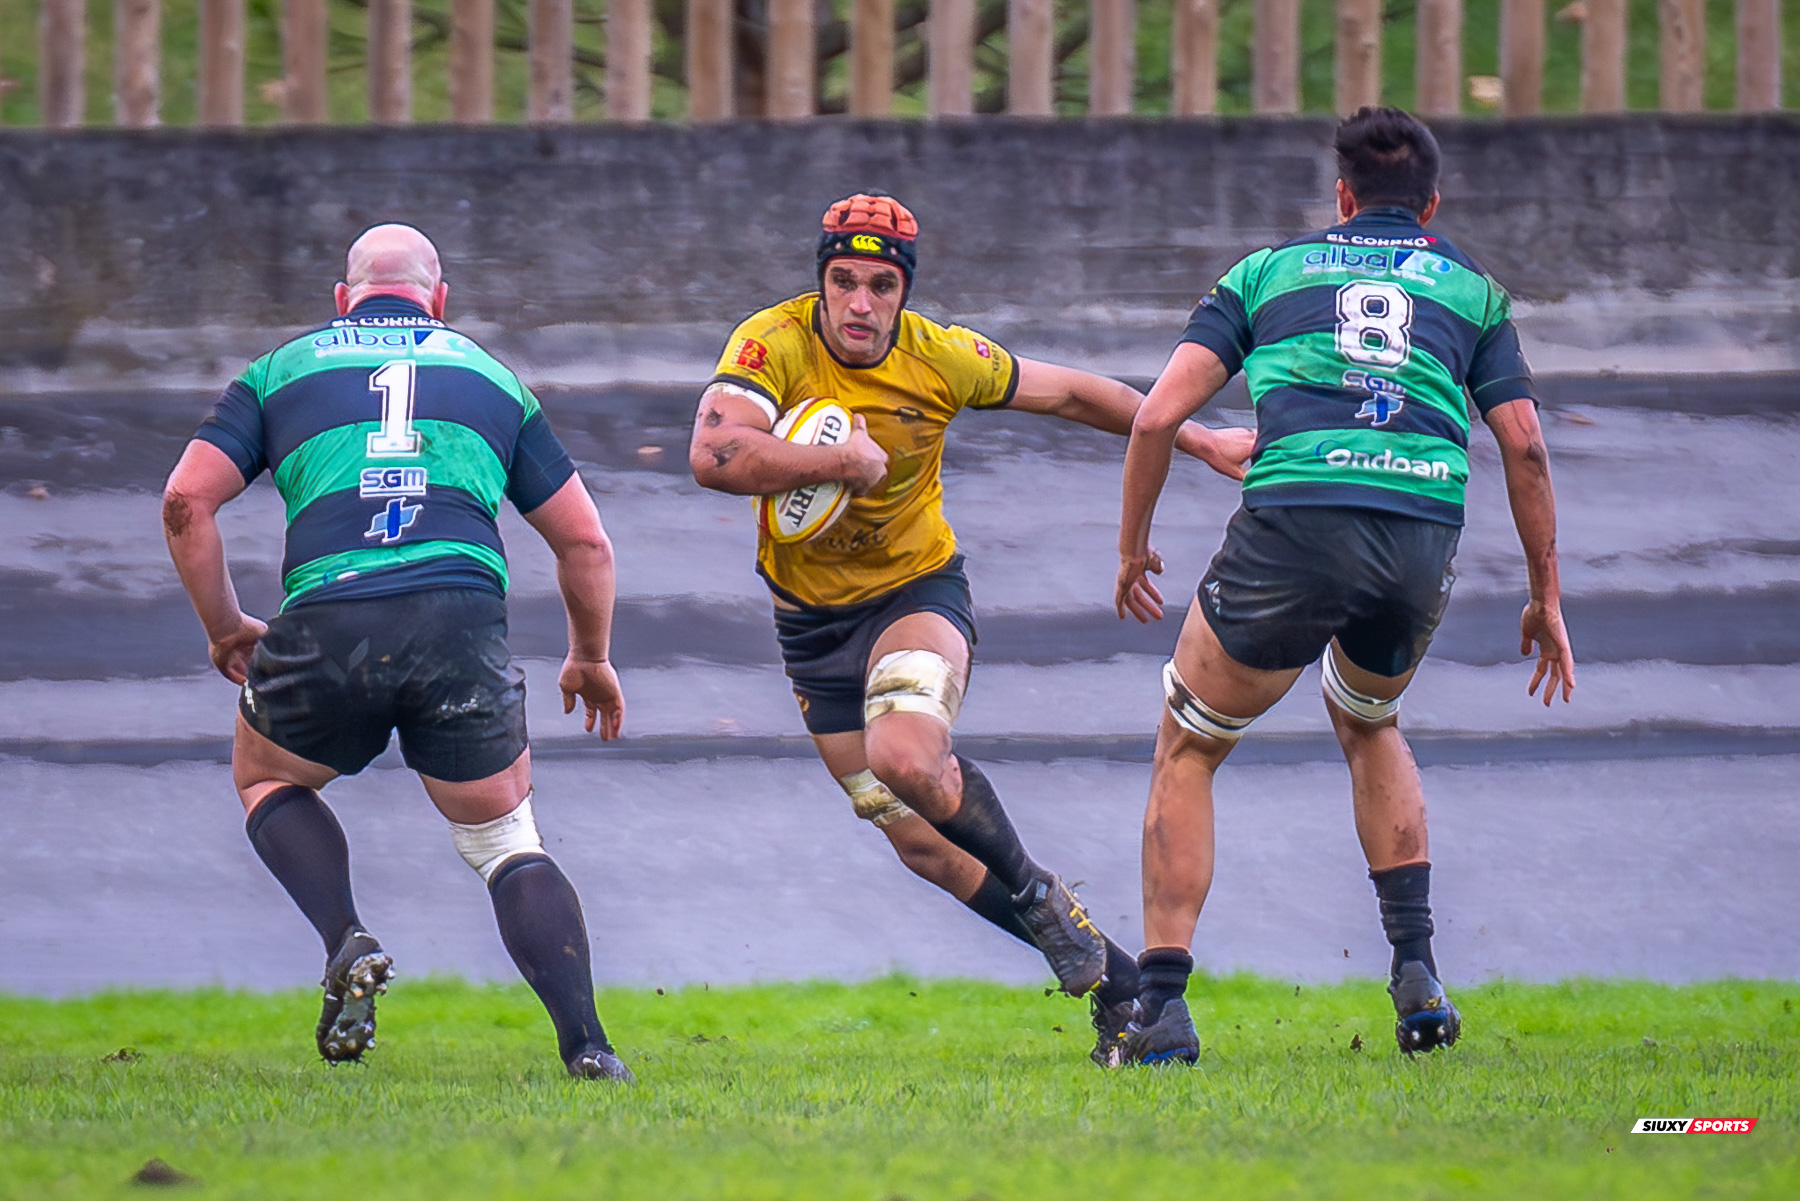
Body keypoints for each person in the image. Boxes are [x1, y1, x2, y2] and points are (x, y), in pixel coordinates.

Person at [688, 194, 1255, 1063]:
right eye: (843, 281)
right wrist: (840, 459)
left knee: (907, 756)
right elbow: (715, 456)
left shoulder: (942, 357)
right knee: (920, 841)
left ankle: (1036, 895)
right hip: (808, 626)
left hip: (916, 593)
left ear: (904, 291)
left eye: (881, 285)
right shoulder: (772, 343)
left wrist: (1198, 434)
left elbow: (1069, 393)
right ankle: (1121, 987)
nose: (861, 304)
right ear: (821, 284)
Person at [1112, 108, 1577, 1065]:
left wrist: (1134, 547)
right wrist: (1547, 597)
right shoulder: (1475, 295)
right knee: (1370, 719)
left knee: (1189, 740)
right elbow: (1524, 444)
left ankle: (1161, 1008)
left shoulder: (1268, 272)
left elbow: (1156, 417)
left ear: (1342, 197)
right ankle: (1418, 975)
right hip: (1419, 527)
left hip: (1299, 518)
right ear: (1433, 206)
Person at [162, 224, 633, 1081]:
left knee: (268, 776)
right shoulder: (491, 376)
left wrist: (226, 624)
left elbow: (187, 501)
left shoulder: (281, 370)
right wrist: (589, 655)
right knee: (503, 837)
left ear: (342, 301)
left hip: (332, 609)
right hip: (458, 615)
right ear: (439, 301)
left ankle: (346, 936)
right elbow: (587, 545)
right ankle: (589, 1048)